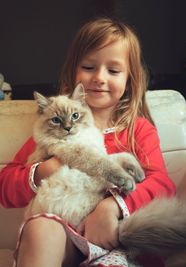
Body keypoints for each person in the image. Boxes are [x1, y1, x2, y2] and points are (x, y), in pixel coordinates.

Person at [0, 17, 176, 267]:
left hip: (117, 238)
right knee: (41, 228)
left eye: (113, 70)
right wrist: (44, 170)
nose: (99, 78)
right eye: (89, 67)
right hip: (65, 238)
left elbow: (162, 184)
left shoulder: (137, 129)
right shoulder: (52, 131)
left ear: (130, 79)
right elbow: (4, 185)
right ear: (74, 70)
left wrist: (112, 207)